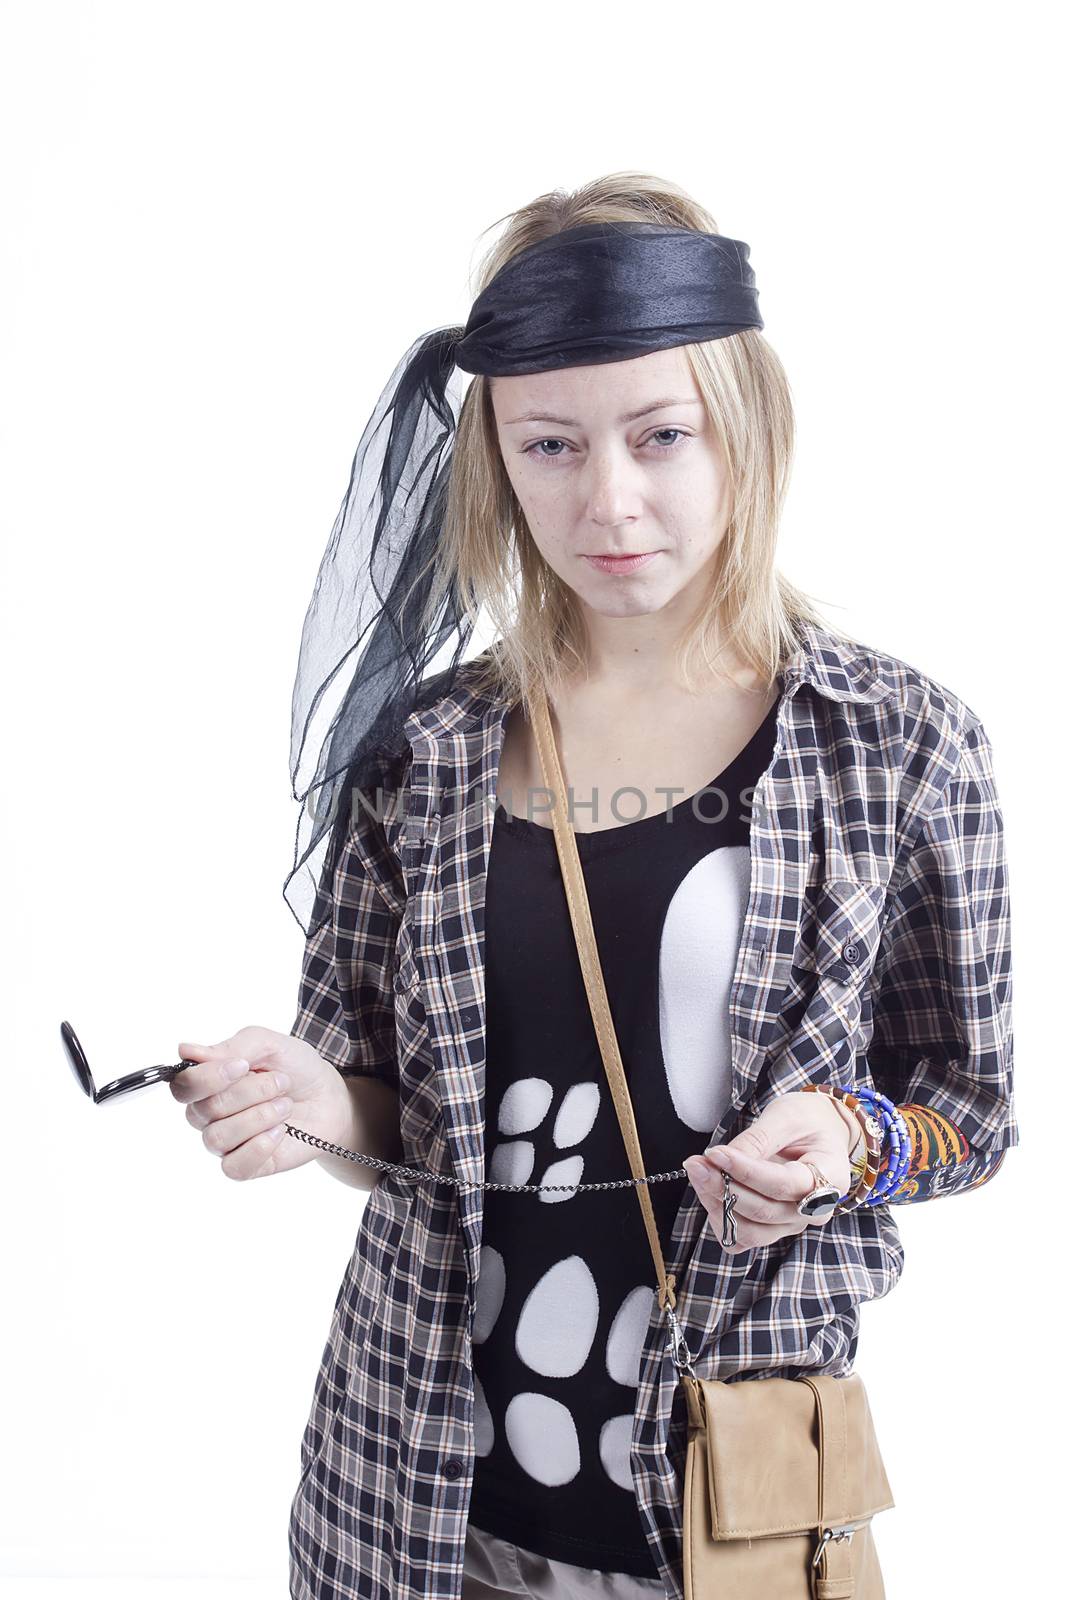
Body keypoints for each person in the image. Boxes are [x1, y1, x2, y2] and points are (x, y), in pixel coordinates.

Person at [170, 173, 1019, 1600]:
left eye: (661, 435)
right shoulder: (425, 754)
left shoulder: (900, 744)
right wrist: (312, 1107)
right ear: (495, 457)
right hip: (409, 1498)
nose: (607, 500)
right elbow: (377, 1104)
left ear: (745, 428)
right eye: (549, 443)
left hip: (729, 1512)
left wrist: (843, 1138)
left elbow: (967, 1115)